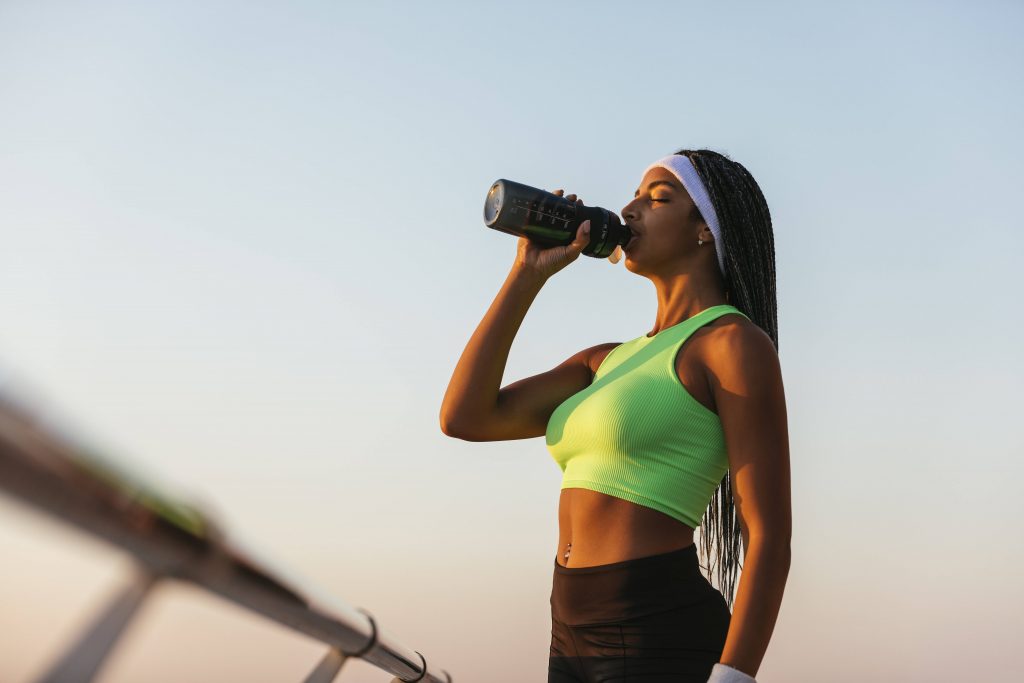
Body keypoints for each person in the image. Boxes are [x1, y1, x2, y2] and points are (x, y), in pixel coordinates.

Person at [440, 149, 790, 683]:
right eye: (633, 196)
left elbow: (767, 532)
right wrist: (526, 274)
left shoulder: (732, 345)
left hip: (656, 626)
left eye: (657, 198)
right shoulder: (603, 360)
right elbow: (465, 416)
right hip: (568, 626)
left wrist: (734, 676)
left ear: (704, 230)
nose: (629, 210)